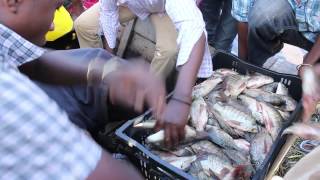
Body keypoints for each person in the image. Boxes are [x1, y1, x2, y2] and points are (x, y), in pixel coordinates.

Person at [0, 0, 169, 178]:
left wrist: (109, 72)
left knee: (97, 58)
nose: (52, 26)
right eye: (55, 8)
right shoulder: (8, 95)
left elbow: (31, 59)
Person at [74, 0, 213, 147]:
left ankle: (145, 102)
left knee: (168, 52)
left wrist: (181, 99)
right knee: (83, 25)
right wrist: (110, 60)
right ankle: (95, 91)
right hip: (134, 5)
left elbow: (193, 28)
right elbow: (108, 11)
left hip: (165, 8)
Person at [232, 0, 320, 119]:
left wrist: (309, 64)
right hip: (290, 18)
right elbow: (242, 17)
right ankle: (256, 70)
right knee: (262, 14)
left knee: (313, 85)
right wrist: (242, 65)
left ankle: (305, 119)